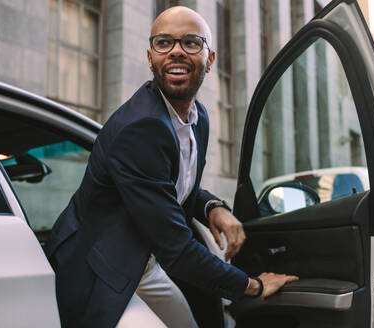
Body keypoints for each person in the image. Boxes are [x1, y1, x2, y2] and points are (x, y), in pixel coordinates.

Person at [47, 6, 298, 328]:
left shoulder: (198, 117)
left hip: (144, 261)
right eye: (164, 43)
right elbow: (177, 249)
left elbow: (175, 186)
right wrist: (253, 286)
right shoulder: (138, 130)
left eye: (191, 42)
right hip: (100, 264)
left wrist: (212, 207)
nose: (177, 51)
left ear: (210, 59)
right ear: (151, 57)